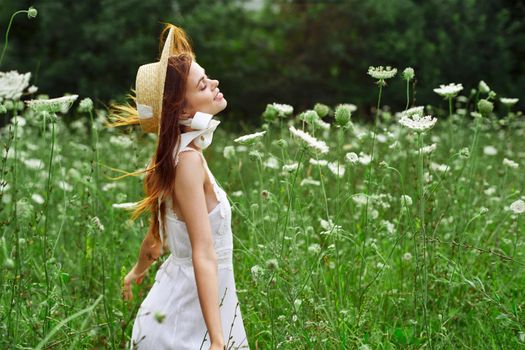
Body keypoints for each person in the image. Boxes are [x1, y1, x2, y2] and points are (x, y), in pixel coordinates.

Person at [107, 23, 249, 350]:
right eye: (203, 84)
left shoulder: (175, 157)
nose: (214, 83)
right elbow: (203, 251)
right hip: (187, 319)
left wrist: (136, 272)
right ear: (184, 110)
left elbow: (157, 236)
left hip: (183, 305)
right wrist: (216, 340)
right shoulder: (187, 162)